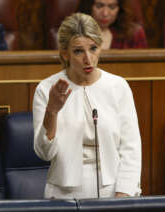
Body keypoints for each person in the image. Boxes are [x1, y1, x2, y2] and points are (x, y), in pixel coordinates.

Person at [33, 13, 142, 199]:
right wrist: (52, 111)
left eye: (93, 48)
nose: (88, 59)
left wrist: (123, 195)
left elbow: (131, 148)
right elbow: (44, 153)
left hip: (114, 188)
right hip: (63, 192)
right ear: (65, 53)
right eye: (78, 51)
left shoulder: (118, 86)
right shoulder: (46, 89)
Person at [77, 0, 148, 49]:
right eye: (99, 6)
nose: (105, 13)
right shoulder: (73, 32)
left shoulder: (134, 34)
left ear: (119, 9)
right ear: (88, 6)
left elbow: (142, 68)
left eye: (112, 7)